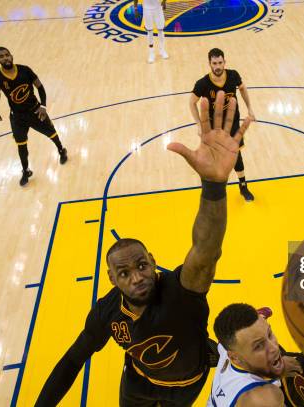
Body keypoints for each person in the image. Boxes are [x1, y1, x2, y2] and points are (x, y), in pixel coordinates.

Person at [36, 92, 251, 406]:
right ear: (112, 280)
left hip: (187, 385)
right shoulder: (107, 312)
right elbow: (72, 361)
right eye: (124, 273)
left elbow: (206, 251)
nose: (136, 277)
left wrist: (214, 186)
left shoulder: (181, 292)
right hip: (137, 383)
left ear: (153, 262)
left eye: (141, 265)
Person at [0, 47, 68, 187]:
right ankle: (26, 170)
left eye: (7, 55)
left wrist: (43, 106)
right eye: (1, 56)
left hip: (35, 111)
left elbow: (40, 87)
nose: (5, 58)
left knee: (51, 133)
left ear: (12, 56)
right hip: (17, 117)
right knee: (21, 146)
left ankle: (61, 150)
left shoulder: (25, 70)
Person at [190, 48, 256, 202]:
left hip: (232, 122)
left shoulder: (233, 75)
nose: (218, 66)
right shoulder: (202, 83)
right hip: (213, 126)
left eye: (220, 62)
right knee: (215, 157)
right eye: (214, 63)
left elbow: (243, 89)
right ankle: (216, 188)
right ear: (209, 64)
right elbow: (191, 102)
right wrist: (199, 124)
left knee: (236, 153)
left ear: (224, 62)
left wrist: (250, 108)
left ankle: (243, 186)